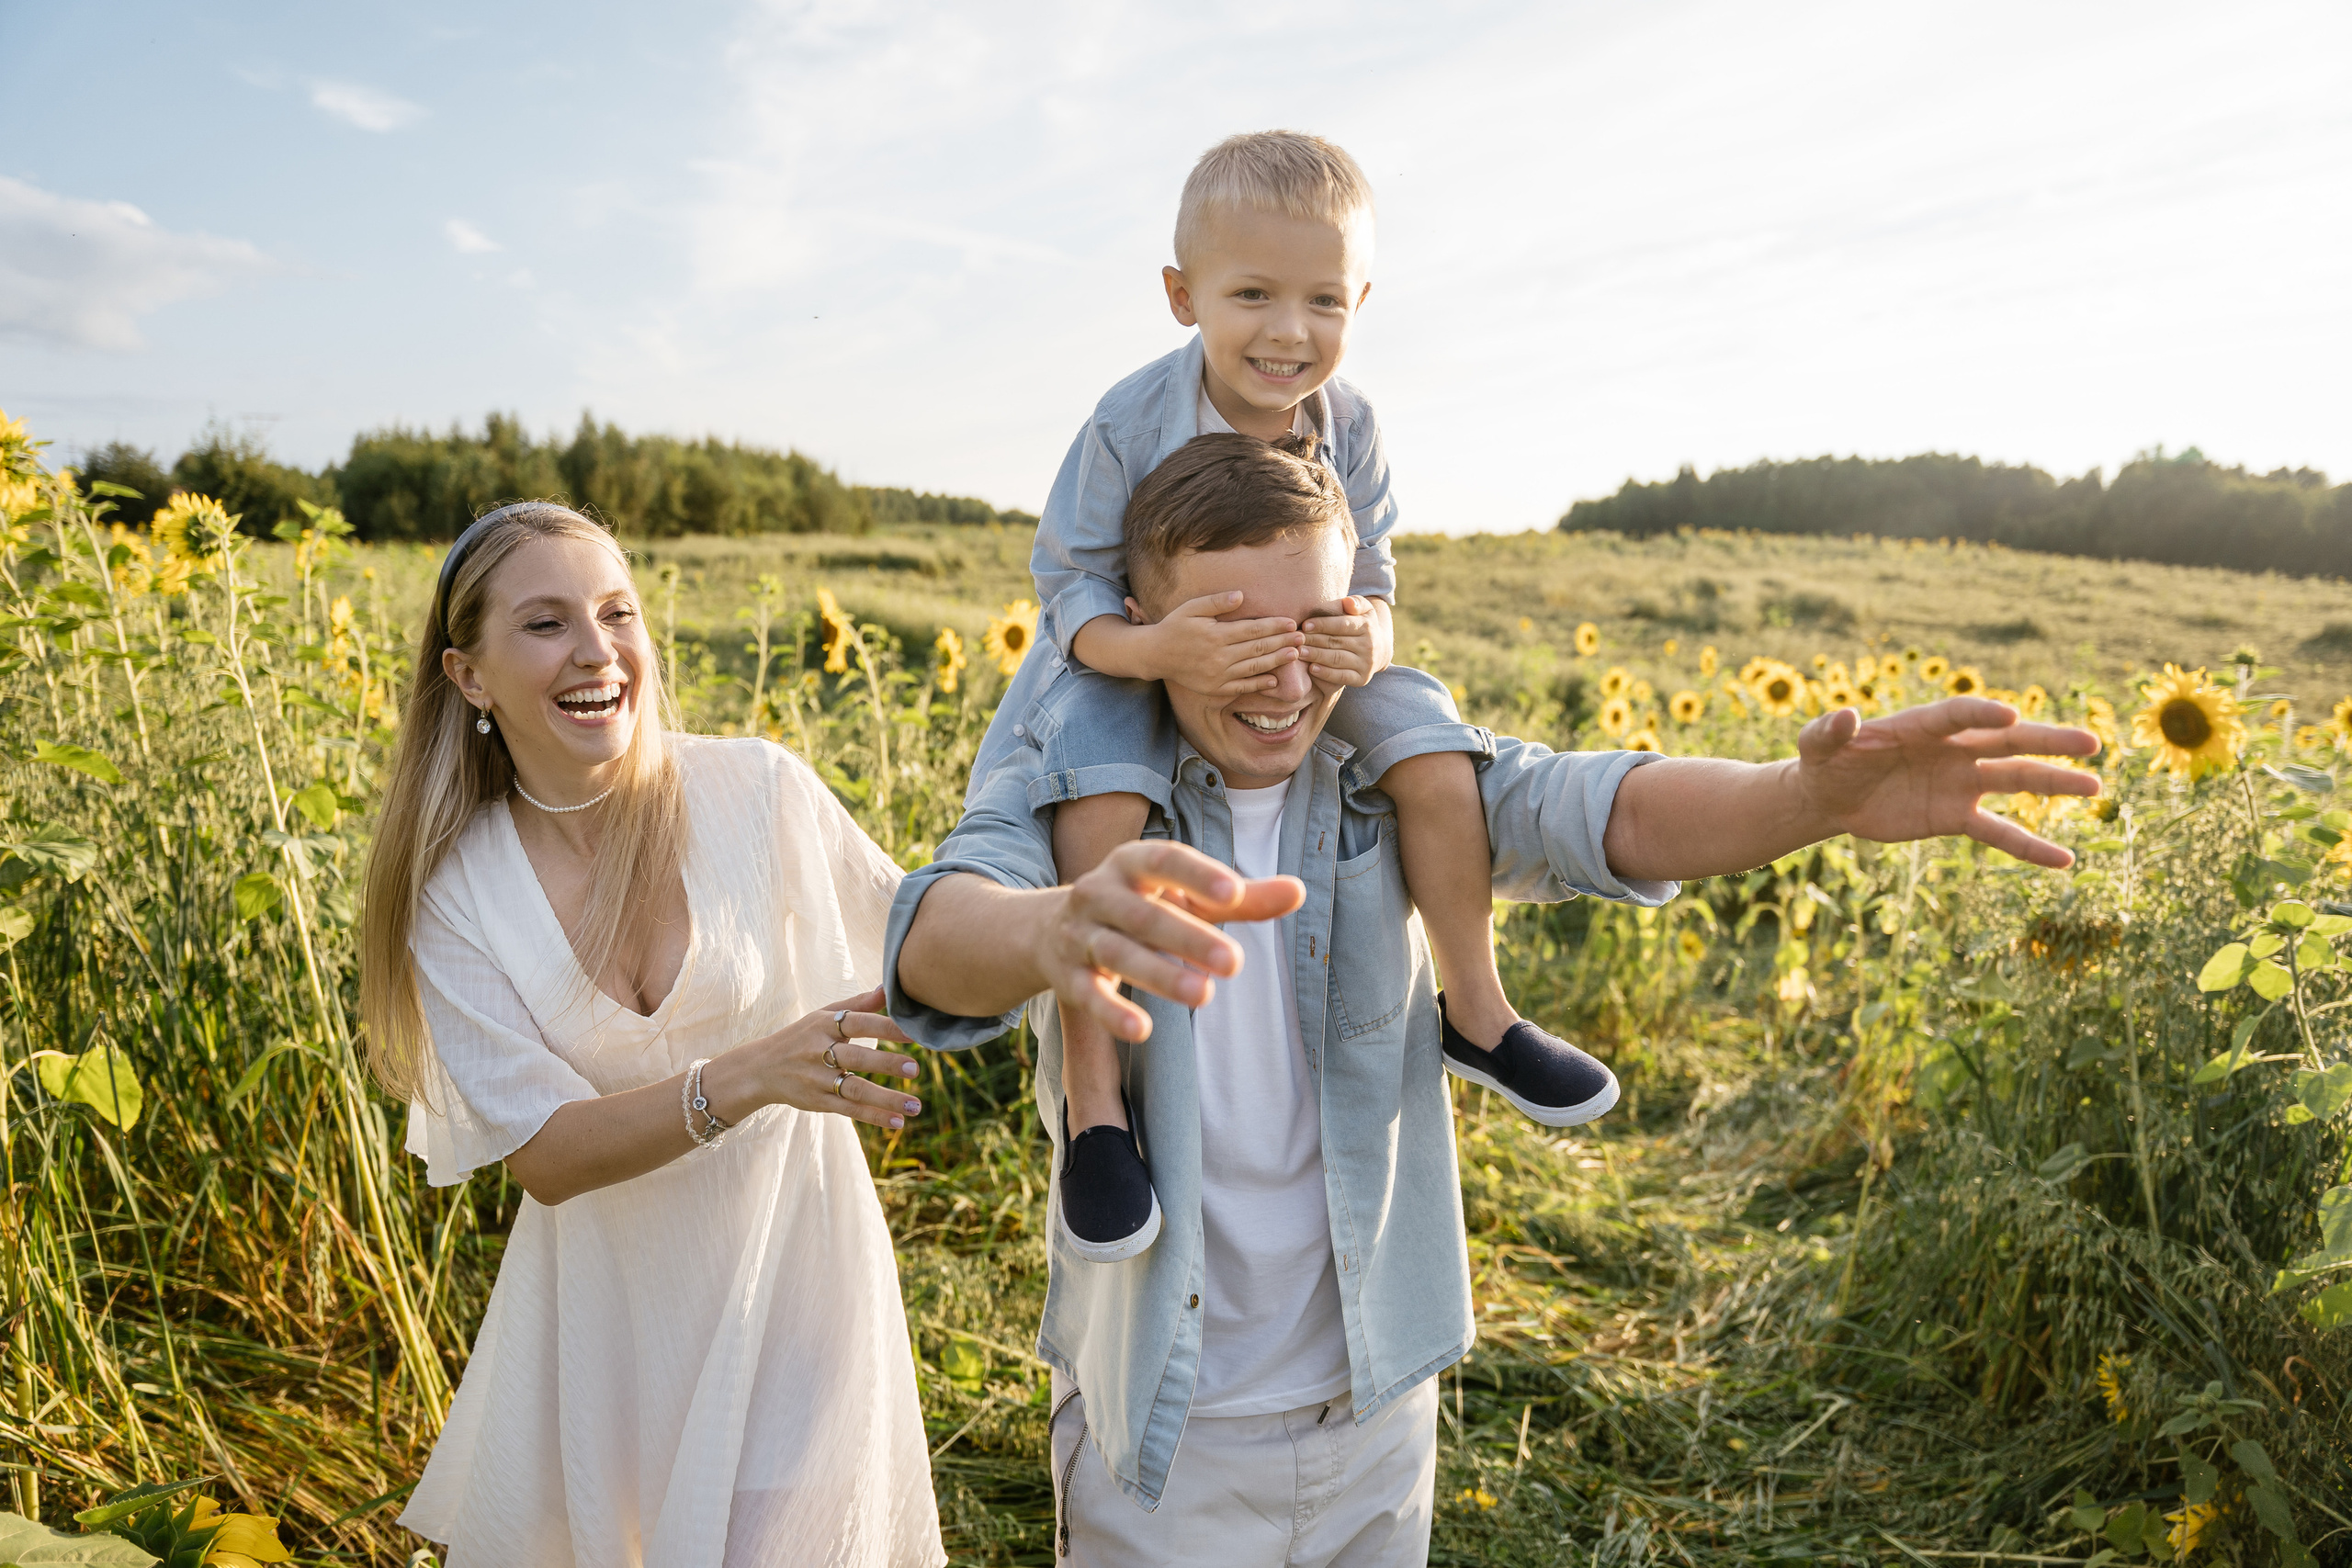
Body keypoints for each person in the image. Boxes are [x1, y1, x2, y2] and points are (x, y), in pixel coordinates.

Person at [887, 435, 2099, 1565]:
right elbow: (937, 934)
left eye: (1317, 623)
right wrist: (1054, 924)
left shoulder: (1396, 775)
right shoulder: (1071, 790)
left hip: (1379, 1402)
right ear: (1146, 625)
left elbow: (1598, 805)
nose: (1282, 671)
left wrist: (1806, 800)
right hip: (1163, 1428)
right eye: (1231, 629)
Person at [985, 129, 1611, 1269]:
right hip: (1141, 652)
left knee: (1428, 746)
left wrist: (1363, 639)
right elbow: (1068, 580)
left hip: (1310, 655)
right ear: (1183, 297)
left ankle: (1477, 1011)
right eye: (1253, 294)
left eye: (1323, 300)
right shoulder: (1130, 421)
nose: (1288, 331)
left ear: (1361, 299)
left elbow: (1374, 583)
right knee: (1100, 798)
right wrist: (1155, 648)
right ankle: (1094, 1109)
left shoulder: (1353, 427)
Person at [356, 502, 946, 1568]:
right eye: (545, 625)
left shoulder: (754, 790)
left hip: (797, 1286)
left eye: (616, 612)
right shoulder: (457, 889)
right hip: (617, 1330)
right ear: (468, 675)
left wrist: (1062, 925)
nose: (597, 651)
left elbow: (924, 941)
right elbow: (545, 1155)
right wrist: (749, 1075)